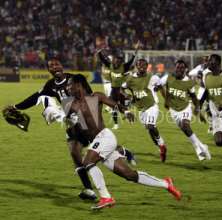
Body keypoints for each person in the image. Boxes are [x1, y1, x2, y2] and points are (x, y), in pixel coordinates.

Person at [9, 56, 135, 200]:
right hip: (69, 120)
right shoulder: (50, 85)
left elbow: (89, 96)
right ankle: (89, 189)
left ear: (62, 66)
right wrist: (15, 107)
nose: (54, 67)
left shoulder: (75, 79)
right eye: (51, 66)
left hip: (83, 119)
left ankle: (125, 152)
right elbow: (35, 97)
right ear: (49, 69)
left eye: (57, 64)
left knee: (99, 146)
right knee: (75, 153)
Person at [64, 74, 181, 210]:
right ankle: (166, 184)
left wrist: (126, 112)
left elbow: (115, 105)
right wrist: (71, 123)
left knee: (88, 162)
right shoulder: (71, 105)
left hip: (105, 137)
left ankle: (106, 197)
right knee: (129, 175)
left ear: (79, 85)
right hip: (97, 142)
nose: (67, 88)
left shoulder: (96, 96)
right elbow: (75, 132)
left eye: (69, 84)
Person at [159, 60, 211, 161]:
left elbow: (193, 97)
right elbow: (159, 86)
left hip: (185, 108)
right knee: (186, 131)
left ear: (185, 69)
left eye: (182, 68)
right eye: (178, 67)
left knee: (185, 126)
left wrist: (197, 110)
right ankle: (202, 146)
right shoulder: (168, 77)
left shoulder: (188, 82)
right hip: (174, 110)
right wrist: (166, 100)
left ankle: (198, 150)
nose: (179, 69)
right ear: (175, 68)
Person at [122, 59, 167, 162]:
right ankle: (161, 147)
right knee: (150, 129)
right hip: (141, 109)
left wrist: (166, 101)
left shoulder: (153, 77)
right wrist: (127, 96)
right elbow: (122, 88)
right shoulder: (131, 79)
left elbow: (161, 88)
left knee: (151, 126)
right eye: (139, 65)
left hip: (152, 105)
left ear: (147, 66)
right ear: (136, 66)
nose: (142, 66)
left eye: (144, 65)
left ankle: (161, 143)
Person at [97, 43, 139, 129]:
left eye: (118, 61)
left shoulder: (124, 67)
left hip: (120, 90)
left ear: (120, 62)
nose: (116, 62)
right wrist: (99, 52)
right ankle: (116, 124)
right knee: (114, 107)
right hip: (113, 90)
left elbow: (131, 61)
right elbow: (103, 60)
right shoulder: (110, 66)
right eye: (116, 60)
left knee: (123, 108)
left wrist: (135, 51)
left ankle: (129, 113)